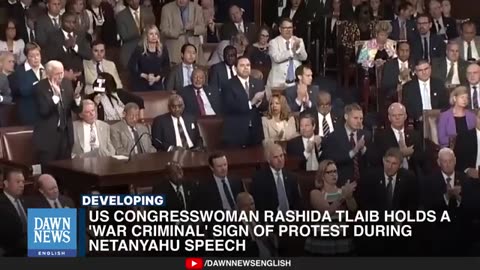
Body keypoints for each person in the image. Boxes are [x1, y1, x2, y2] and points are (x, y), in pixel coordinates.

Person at [358, 148, 418, 255]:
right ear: (383, 160)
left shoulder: (409, 178)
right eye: (387, 162)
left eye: (394, 164)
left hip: (399, 229)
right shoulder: (370, 177)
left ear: (400, 165)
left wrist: (402, 220)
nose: (389, 166)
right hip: (376, 228)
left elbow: (412, 205)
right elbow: (365, 205)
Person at [423, 148, 475, 256]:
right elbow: (428, 206)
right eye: (444, 161)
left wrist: (459, 198)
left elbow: (473, 205)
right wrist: (446, 197)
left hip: (462, 232)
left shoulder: (465, 179)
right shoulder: (429, 181)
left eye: (450, 161)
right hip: (439, 231)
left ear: (455, 161)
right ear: (438, 162)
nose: (448, 164)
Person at [33, 60, 82, 165]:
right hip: (48, 138)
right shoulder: (40, 87)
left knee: (65, 170)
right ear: (48, 74)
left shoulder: (67, 83)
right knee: (49, 171)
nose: (60, 76)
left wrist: (77, 98)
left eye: (62, 73)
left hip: (66, 136)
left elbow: (77, 110)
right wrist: (56, 96)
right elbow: (44, 111)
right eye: (57, 74)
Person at [304, 159, 356, 255]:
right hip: (322, 240)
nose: (334, 174)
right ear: (322, 175)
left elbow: (353, 209)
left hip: (341, 239)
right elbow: (326, 212)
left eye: (335, 171)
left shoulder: (343, 191)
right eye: (329, 172)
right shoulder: (316, 193)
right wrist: (343, 197)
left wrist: (349, 196)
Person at [222, 56, 268, 148]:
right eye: (242, 65)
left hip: (255, 131)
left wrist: (260, 103)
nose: (246, 68)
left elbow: (265, 106)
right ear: (235, 68)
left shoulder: (258, 82)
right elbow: (230, 107)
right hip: (237, 131)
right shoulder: (228, 85)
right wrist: (252, 102)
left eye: (248, 65)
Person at [323, 103, 372, 185]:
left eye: (361, 118)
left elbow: (372, 160)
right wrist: (354, 150)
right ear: (346, 117)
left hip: (364, 183)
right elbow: (331, 160)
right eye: (355, 118)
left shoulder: (366, 135)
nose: (359, 121)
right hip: (342, 182)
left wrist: (363, 149)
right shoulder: (334, 136)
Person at [252, 142, 302, 212]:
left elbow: (297, 202)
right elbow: (260, 206)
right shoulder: (259, 179)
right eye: (275, 157)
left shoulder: (292, 177)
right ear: (268, 160)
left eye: (281, 156)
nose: (280, 160)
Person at [373, 103, 424, 170]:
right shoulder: (381, 136)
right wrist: (402, 153)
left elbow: (422, 158)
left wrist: (411, 155)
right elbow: (378, 159)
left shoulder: (415, 135)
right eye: (394, 115)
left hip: (413, 174)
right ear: (389, 118)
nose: (397, 118)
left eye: (400, 115)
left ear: (405, 116)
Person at [44, 12, 92, 84]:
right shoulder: (53, 36)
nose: (71, 25)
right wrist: (65, 47)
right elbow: (50, 57)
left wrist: (75, 47)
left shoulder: (81, 35)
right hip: (61, 77)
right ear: (61, 22)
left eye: (73, 22)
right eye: (68, 22)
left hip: (78, 76)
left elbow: (89, 55)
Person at [160, 0, 206, 64]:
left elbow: (203, 29)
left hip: (194, 48)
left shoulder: (197, 8)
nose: (181, 1)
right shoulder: (166, 9)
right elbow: (164, 30)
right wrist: (178, 31)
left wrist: (193, 28)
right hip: (174, 49)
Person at [267, 17, 308, 88]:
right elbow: (277, 58)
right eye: (285, 28)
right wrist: (292, 51)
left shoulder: (298, 40)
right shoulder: (273, 42)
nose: (288, 30)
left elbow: (304, 58)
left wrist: (298, 49)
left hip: (296, 81)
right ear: (280, 29)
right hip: (279, 82)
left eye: (290, 28)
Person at [128, 25, 170, 91]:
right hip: (141, 83)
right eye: (151, 34)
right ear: (146, 36)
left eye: (156, 34)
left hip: (157, 83)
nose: (154, 36)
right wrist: (145, 76)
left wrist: (158, 77)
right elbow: (131, 66)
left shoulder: (163, 49)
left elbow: (166, 67)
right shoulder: (139, 49)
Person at [116, 0, 155, 68]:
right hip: (130, 54)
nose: (134, 2)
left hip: (148, 51)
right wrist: (141, 31)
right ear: (127, 1)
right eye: (131, 0)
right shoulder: (121, 16)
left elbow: (153, 29)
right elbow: (124, 36)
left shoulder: (148, 12)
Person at [0, 168, 27, 256]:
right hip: (14, 252)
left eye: (23, 182)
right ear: (6, 183)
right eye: (18, 182)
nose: (21, 185)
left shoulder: (25, 200)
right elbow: (8, 238)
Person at [454, 109, 480, 179]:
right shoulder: (464, 137)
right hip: (471, 179)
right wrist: (467, 170)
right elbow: (457, 160)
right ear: (476, 118)